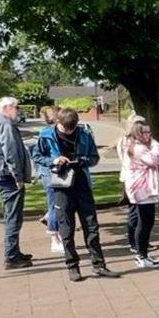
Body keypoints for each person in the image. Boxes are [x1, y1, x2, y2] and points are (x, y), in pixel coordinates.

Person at [35, 108, 117, 281]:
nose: (70, 131)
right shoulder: (46, 135)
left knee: (92, 227)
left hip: (82, 185)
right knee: (66, 228)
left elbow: (94, 157)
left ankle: (99, 265)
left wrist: (83, 160)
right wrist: (54, 161)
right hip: (61, 186)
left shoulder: (84, 135)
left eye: (73, 128)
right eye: (66, 129)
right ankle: (72, 266)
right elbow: (37, 156)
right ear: (58, 123)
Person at [0, 97, 35, 269]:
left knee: (10, 215)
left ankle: (14, 251)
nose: (18, 111)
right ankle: (12, 256)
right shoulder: (6, 126)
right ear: (7, 108)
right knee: (14, 217)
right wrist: (18, 177)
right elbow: (11, 154)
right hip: (8, 178)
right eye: (17, 107)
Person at [118, 115, 159, 268]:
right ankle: (141, 255)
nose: (149, 135)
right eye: (145, 132)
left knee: (146, 222)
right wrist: (156, 145)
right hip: (141, 188)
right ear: (138, 133)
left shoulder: (137, 146)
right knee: (144, 222)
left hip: (142, 186)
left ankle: (143, 253)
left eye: (149, 132)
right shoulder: (138, 148)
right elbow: (154, 159)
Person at [39, 105, 64, 247]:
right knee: (55, 204)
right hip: (52, 172)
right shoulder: (49, 134)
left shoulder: (45, 133)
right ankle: (54, 238)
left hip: (51, 172)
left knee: (57, 204)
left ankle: (49, 219)